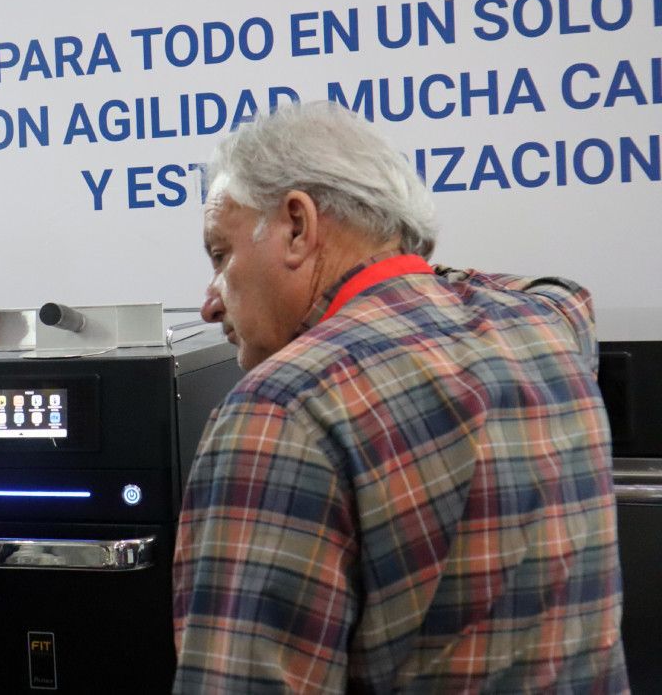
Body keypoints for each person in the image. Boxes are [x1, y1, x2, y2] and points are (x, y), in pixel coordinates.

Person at [173, 102, 626, 691]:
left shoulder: (281, 412)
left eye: (220, 253)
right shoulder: (548, 326)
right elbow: (558, 294)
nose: (210, 301)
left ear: (297, 225)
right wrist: (404, 273)